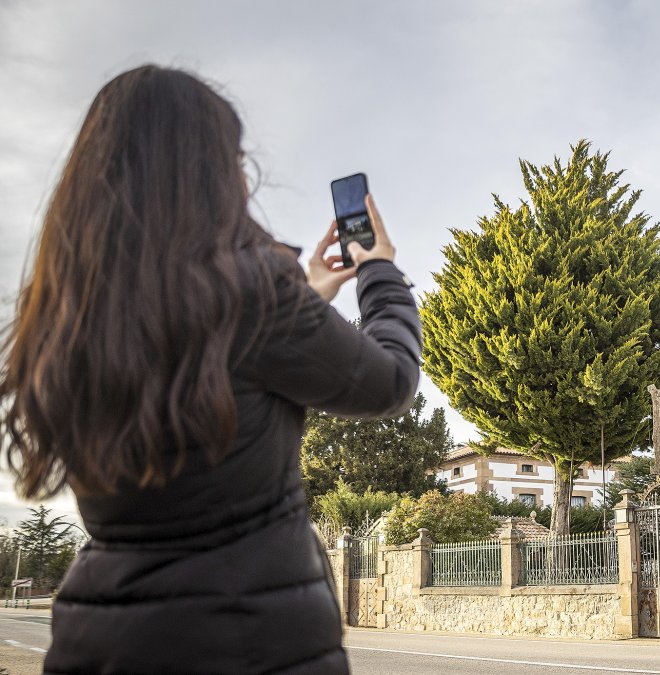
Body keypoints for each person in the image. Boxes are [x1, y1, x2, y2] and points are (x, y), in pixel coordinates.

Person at [0, 65, 422, 673]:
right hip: (248, 643)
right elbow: (389, 381)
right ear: (209, 175)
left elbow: (205, 343)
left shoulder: (71, 317)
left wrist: (304, 293)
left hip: (99, 642)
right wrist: (380, 273)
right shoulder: (256, 298)